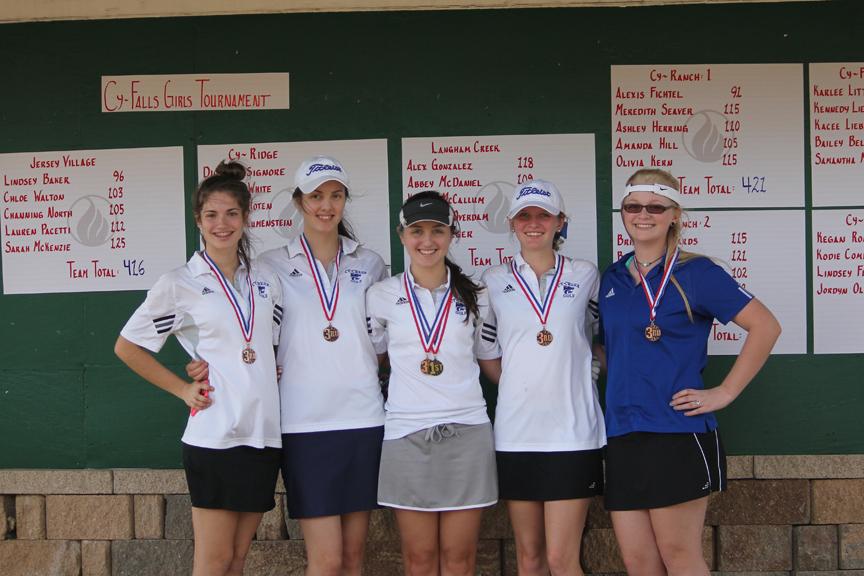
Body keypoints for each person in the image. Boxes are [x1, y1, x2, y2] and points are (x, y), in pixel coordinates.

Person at [189, 155, 387, 576]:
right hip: (303, 425)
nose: (326, 205)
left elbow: (381, 342)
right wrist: (207, 364)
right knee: (327, 561)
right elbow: (249, 335)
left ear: (345, 200)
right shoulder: (270, 266)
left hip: (364, 419)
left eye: (335, 195)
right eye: (316, 196)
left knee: (354, 559)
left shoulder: (370, 263)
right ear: (299, 202)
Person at [598, 168, 781, 576]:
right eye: (633, 206)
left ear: (674, 214)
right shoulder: (611, 277)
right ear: (623, 212)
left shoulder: (696, 273)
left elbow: (765, 326)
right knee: (638, 562)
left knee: (679, 557)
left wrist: (725, 391)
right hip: (623, 432)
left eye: (655, 206)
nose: (643, 214)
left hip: (677, 433)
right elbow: (613, 348)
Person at [115, 161, 283, 576]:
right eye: (211, 215)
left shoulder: (266, 279)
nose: (221, 224)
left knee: (238, 560)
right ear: (198, 220)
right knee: (213, 562)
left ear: (246, 217)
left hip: (263, 435)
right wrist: (182, 389)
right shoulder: (181, 283)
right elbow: (127, 347)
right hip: (214, 437)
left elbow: (268, 347)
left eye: (231, 213)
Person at [366, 191, 498, 576]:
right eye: (417, 231)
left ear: (452, 234)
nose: (427, 241)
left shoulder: (476, 295)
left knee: (460, 559)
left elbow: (489, 353)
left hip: (468, 431)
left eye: (437, 230)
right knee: (419, 560)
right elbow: (373, 357)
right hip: (406, 433)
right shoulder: (381, 295)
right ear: (402, 235)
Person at [479, 179, 605, 576]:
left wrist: (585, 374)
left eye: (543, 215)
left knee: (561, 560)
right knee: (529, 557)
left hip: (573, 433)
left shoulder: (586, 275)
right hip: (517, 435)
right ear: (512, 224)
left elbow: (603, 338)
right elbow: (488, 351)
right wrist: (520, 386)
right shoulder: (493, 280)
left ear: (560, 222)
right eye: (524, 216)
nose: (534, 223)